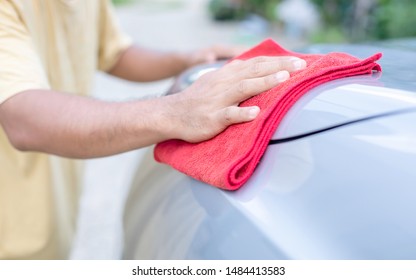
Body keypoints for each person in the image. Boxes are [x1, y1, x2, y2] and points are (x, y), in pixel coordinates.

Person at [0, 0, 306, 259]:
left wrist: (186, 59)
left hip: (49, 222)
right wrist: (179, 110)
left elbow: (114, 52)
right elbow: (23, 117)